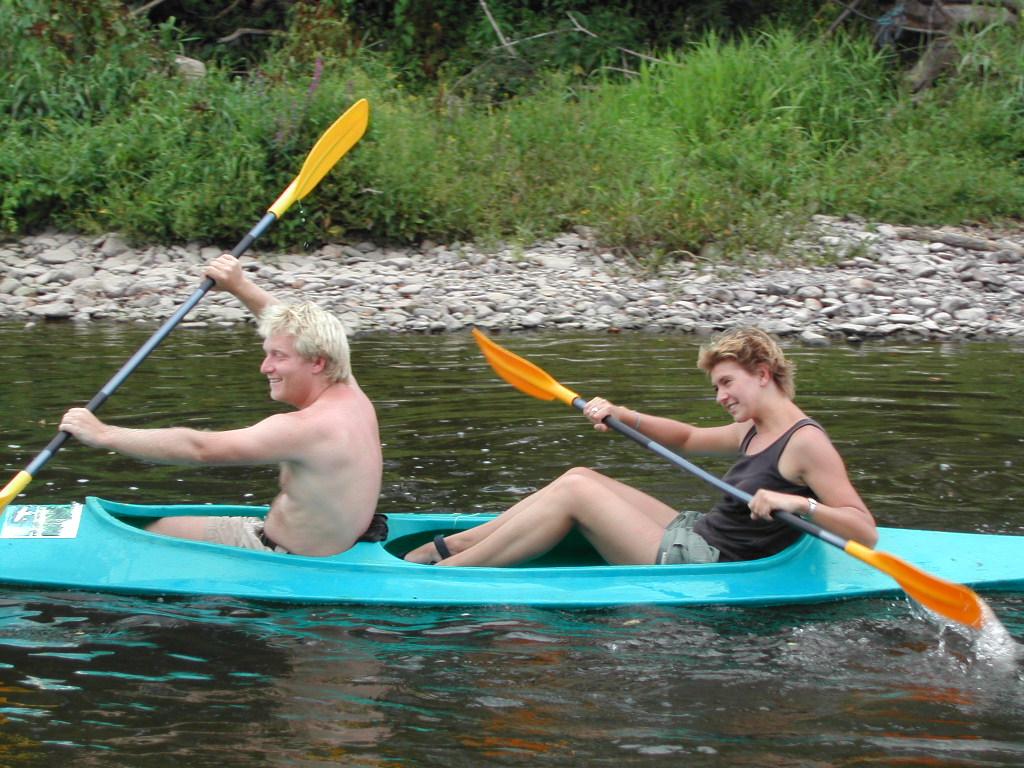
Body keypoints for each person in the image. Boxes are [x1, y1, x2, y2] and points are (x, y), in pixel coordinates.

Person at [404, 326, 877, 567]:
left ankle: (445, 574)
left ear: (763, 374)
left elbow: (864, 530)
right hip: (701, 532)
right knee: (580, 477)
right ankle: (452, 545)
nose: (720, 396)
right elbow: (688, 438)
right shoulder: (753, 427)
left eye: (727, 382)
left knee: (577, 496)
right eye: (716, 386)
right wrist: (623, 415)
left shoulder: (806, 442)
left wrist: (800, 503)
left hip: (707, 562)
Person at [60, 254, 384, 557]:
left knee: (154, 532)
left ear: (316, 362)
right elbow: (292, 328)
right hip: (337, 544)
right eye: (267, 353)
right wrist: (239, 286)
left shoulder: (304, 429)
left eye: (278, 357)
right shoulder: (351, 394)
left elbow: (200, 447)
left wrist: (104, 435)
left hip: (281, 557)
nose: (265, 367)